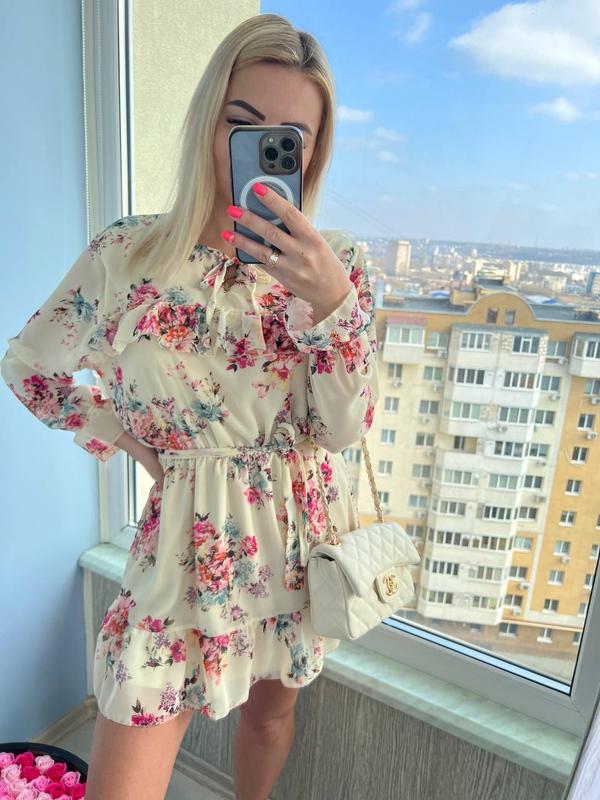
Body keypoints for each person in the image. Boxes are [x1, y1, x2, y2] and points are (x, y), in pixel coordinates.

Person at [0, 12, 379, 800]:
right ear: (209, 121)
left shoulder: (338, 267)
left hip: (296, 536)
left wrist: (331, 304)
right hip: (181, 544)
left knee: (271, 717)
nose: (264, 149)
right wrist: (130, 442)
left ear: (312, 153)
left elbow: (341, 429)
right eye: (243, 123)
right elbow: (30, 367)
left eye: (289, 138)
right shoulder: (128, 253)